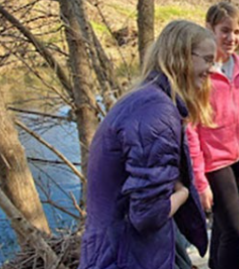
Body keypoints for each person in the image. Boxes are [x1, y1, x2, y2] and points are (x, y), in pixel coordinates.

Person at [79, 20, 214, 269]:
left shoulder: (148, 99)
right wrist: (184, 194)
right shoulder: (156, 113)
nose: (211, 69)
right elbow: (148, 215)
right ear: (182, 56)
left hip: (125, 249)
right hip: (123, 257)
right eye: (207, 59)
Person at [186, 2, 239, 269]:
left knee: (224, 229)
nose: (231, 38)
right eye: (224, 30)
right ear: (209, 29)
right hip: (214, 162)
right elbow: (190, 128)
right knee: (237, 232)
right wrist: (199, 179)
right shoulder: (199, 71)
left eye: (237, 32)